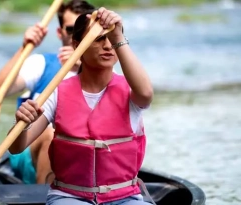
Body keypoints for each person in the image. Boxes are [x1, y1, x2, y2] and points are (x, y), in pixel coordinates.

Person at [9, 6, 154, 205]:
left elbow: (146, 94)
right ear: (77, 46)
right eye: (98, 38)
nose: (108, 46)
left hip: (125, 198)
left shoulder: (132, 91)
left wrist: (117, 33)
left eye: (111, 39)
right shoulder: (57, 92)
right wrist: (21, 123)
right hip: (70, 197)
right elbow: (17, 147)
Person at [0, 0, 96, 185]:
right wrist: (25, 47)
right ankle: (44, 195)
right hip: (30, 146)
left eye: (85, 31)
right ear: (60, 32)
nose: (77, 36)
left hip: (81, 151)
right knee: (51, 133)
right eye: (71, 29)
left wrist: (85, 69)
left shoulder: (102, 71)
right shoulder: (41, 63)